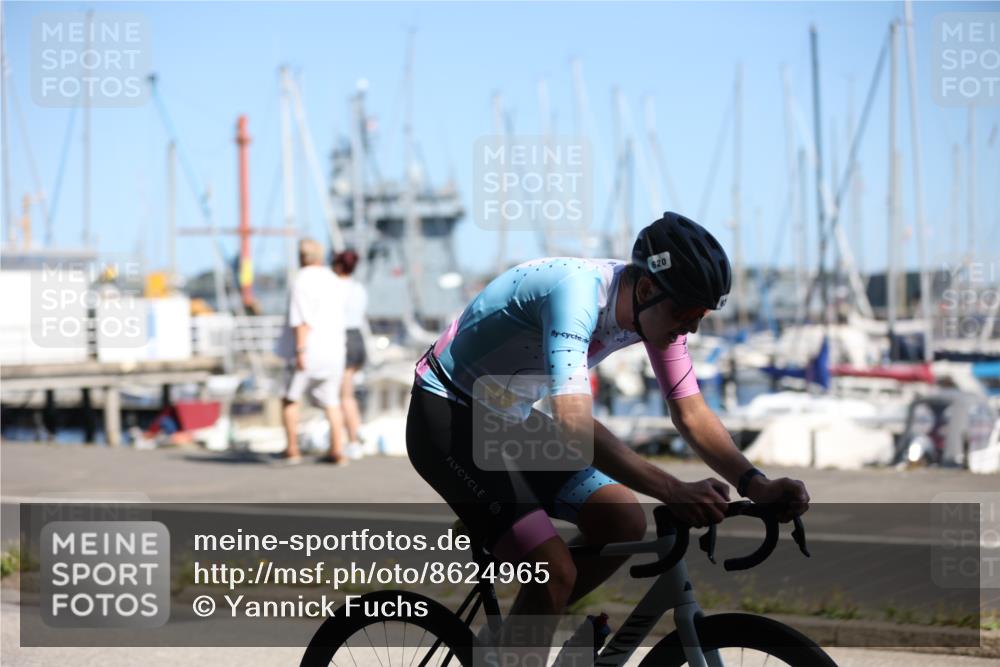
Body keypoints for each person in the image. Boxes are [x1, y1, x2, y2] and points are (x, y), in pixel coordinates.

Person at [406, 212, 810, 656]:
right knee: (553, 569)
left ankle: (511, 645)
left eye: (701, 316)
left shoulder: (658, 317)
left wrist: (757, 483)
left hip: (508, 414)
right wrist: (672, 488)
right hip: (446, 416)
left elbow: (691, 415)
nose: (691, 327)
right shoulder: (575, 294)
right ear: (646, 288)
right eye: (685, 313)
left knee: (623, 520)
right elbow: (573, 424)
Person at [277, 238, 348, 464]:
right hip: (335, 348)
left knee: (290, 398)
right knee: (332, 401)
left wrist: (300, 350)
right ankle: (338, 449)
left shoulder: (301, 280)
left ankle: (292, 449)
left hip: (309, 348)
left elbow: (301, 319)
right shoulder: (333, 279)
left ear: (301, 257)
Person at [332, 249, 368, 459]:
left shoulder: (334, 287)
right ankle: (353, 437)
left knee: (343, 396)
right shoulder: (359, 288)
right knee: (347, 394)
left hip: (341, 337)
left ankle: (353, 441)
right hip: (357, 338)